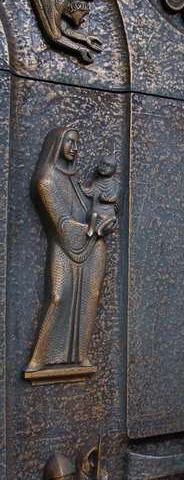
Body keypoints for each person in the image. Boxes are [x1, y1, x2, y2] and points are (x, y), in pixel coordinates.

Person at [25, 128, 113, 378]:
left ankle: (80, 355)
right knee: (58, 296)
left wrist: (104, 219)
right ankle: (39, 359)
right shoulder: (46, 179)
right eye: (69, 142)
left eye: (78, 142)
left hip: (93, 243)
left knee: (92, 296)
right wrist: (91, 227)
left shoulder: (75, 178)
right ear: (57, 144)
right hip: (65, 244)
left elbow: (90, 207)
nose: (74, 148)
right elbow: (61, 223)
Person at [81, 155, 120, 238]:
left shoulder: (114, 184)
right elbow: (89, 192)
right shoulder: (96, 183)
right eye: (103, 164)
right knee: (94, 214)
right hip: (96, 210)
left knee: (111, 220)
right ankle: (93, 228)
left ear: (114, 170)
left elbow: (115, 198)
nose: (104, 167)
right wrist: (80, 187)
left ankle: (99, 229)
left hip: (108, 212)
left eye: (108, 166)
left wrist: (107, 199)